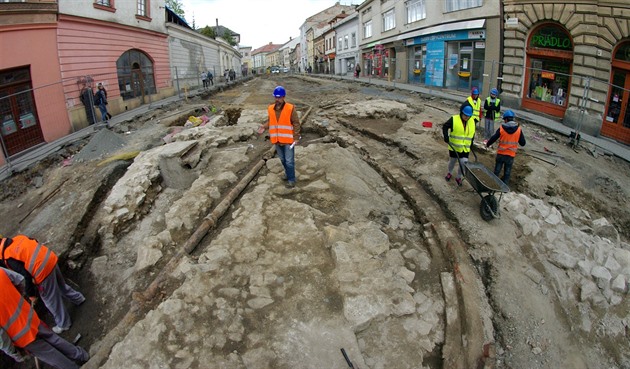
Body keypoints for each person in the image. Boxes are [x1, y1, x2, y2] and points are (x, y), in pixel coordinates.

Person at [0, 267, 89, 369]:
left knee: (49, 354)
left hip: (21, 336)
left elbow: (1, 337)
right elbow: (21, 280)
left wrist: (13, 352)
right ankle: (82, 355)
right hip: (30, 316)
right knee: (53, 339)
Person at [1, 234, 85, 334]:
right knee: (61, 285)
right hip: (49, 258)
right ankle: (78, 298)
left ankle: (64, 324)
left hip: (42, 272)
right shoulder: (19, 238)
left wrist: (31, 294)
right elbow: (34, 242)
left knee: (51, 301)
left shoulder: (8, 256)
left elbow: (26, 276)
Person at [257, 86, 301, 188]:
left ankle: (291, 179)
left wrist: (296, 137)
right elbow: (271, 121)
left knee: (289, 161)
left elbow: (296, 123)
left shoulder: (290, 108)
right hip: (277, 140)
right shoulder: (270, 108)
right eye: (276, 97)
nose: (277, 99)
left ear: (283, 97)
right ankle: (288, 173)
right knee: (282, 159)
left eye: (279, 97)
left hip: (288, 140)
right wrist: (264, 126)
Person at [485, 110, 526, 186]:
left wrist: (488, 144)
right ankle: (504, 188)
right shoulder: (519, 130)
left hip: (501, 154)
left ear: (506, 119)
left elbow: (494, 138)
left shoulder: (502, 128)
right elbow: (523, 143)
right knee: (507, 173)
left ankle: (493, 185)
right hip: (510, 155)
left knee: (497, 171)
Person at [443, 105, 475, 186]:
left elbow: (472, 133)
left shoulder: (472, 122)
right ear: (461, 113)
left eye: (468, 116)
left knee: (463, 163)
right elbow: (445, 126)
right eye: (465, 115)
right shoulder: (454, 119)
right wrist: (446, 137)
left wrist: (471, 143)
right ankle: (449, 172)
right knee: (452, 162)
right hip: (454, 147)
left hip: (465, 148)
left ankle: (458, 177)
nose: (466, 117)